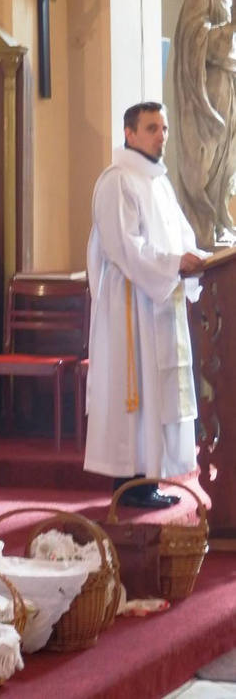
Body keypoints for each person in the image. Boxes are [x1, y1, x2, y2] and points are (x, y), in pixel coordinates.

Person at [84, 102, 208, 508]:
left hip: (161, 301)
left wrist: (201, 261)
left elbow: (182, 239)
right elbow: (124, 246)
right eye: (152, 128)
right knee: (136, 393)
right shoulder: (117, 180)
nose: (161, 136)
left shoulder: (159, 183)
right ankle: (131, 483)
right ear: (130, 133)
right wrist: (174, 264)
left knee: (158, 393)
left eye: (164, 128)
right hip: (131, 305)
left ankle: (150, 477)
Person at [173, 0, 236, 248]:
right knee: (207, 158)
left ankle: (219, 220)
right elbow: (194, 41)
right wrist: (231, 27)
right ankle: (202, 226)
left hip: (228, 86)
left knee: (226, 159)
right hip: (208, 92)